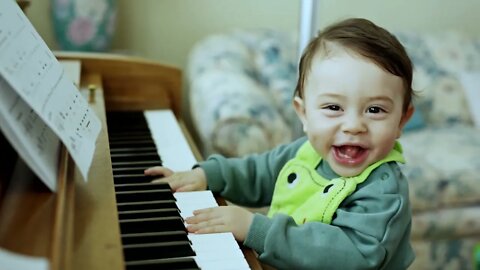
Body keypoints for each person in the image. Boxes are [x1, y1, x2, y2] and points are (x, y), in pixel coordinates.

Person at [145, 17, 416, 269]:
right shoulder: (303, 153)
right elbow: (257, 172)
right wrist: (208, 174)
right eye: (334, 107)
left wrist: (255, 228)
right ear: (304, 114)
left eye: (375, 110)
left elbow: (352, 254)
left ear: (402, 121)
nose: (354, 125)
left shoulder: (383, 191)